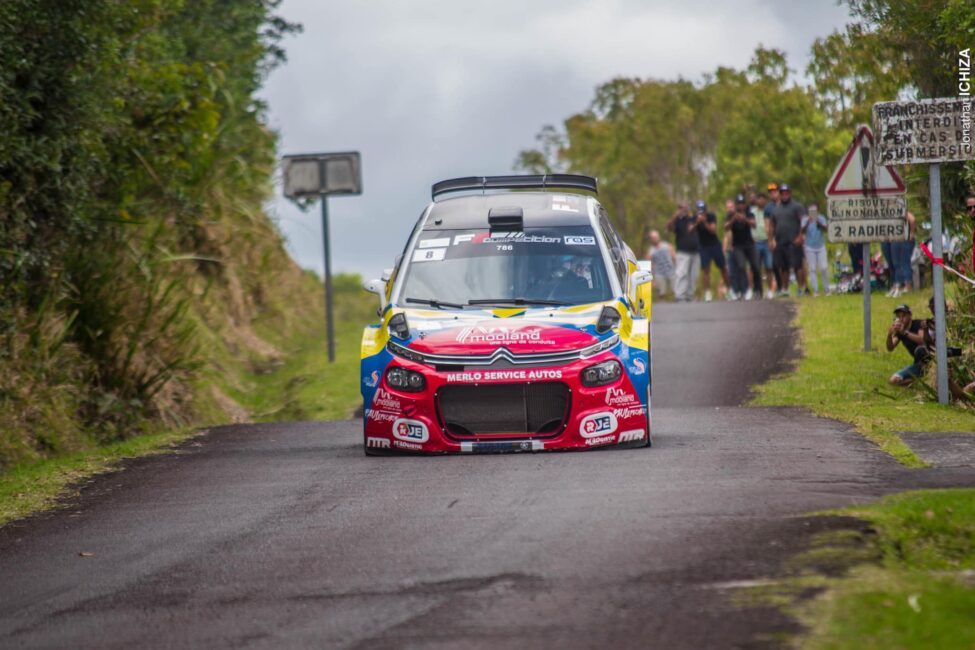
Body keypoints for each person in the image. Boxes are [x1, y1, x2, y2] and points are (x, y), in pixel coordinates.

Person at [768, 183, 807, 297]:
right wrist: (770, 240)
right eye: (782, 193)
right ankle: (785, 289)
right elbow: (772, 225)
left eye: (786, 193)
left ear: (790, 193)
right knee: (783, 267)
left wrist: (800, 236)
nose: (784, 195)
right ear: (780, 194)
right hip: (781, 242)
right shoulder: (776, 209)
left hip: (794, 241)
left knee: (797, 266)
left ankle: (801, 288)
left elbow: (803, 222)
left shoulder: (797, 207)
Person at [725, 194, 761, 299]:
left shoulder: (749, 214)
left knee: (755, 266)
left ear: (745, 205)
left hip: (749, 244)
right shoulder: (731, 215)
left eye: (742, 204)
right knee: (741, 266)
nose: (741, 206)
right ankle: (744, 290)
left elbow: (754, 225)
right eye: (739, 204)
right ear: (736, 205)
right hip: (737, 246)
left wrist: (745, 219)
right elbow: (726, 227)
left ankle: (757, 290)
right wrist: (734, 219)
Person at [694, 200, 729, 302]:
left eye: (703, 210)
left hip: (714, 245)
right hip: (703, 247)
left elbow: (712, 230)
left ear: (706, 209)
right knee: (706, 270)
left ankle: (730, 290)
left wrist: (704, 221)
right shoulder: (694, 218)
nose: (701, 212)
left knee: (723, 267)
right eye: (699, 210)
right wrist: (697, 222)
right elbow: (690, 230)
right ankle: (707, 293)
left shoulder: (711, 216)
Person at [666, 202, 700, 302]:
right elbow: (668, 227)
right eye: (682, 208)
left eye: (686, 207)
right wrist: (676, 215)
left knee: (693, 275)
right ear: (678, 209)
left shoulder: (693, 218)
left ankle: (690, 295)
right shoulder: (677, 220)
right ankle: (679, 296)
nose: (684, 209)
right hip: (682, 252)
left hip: (695, 251)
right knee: (682, 273)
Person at [886, 304, 926, 385]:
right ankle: (921, 382)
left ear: (910, 315)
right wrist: (889, 334)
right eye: (898, 316)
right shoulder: (900, 331)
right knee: (894, 380)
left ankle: (925, 380)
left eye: (903, 316)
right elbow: (890, 347)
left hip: (928, 361)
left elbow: (922, 341)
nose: (901, 319)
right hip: (918, 364)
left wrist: (904, 332)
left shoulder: (919, 324)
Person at [801, 204, 829, 296]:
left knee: (824, 267)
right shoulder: (805, 219)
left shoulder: (821, 218)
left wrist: (818, 222)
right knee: (812, 269)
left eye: (814, 211)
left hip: (820, 246)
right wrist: (808, 222)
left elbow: (826, 229)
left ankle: (827, 289)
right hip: (809, 247)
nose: (813, 213)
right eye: (811, 211)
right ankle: (816, 290)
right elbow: (802, 231)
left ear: (818, 211)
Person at [752, 192, 776, 298]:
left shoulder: (769, 210)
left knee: (769, 267)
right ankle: (758, 290)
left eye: (762, 199)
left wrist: (773, 239)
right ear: (756, 201)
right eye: (759, 199)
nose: (760, 201)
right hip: (756, 242)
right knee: (756, 268)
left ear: (765, 200)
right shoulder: (752, 212)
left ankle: (770, 290)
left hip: (767, 241)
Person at [647, 229, 676, 299]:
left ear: (658, 237)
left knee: (676, 291)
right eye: (653, 238)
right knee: (661, 293)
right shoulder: (651, 250)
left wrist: (677, 268)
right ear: (651, 239)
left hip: (671, 271)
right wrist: (652, 279)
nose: (655, 239)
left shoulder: (666, 245)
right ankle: (662, 306)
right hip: (659, 273)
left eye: (656, 237)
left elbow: (674, 257)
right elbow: (650, 264)